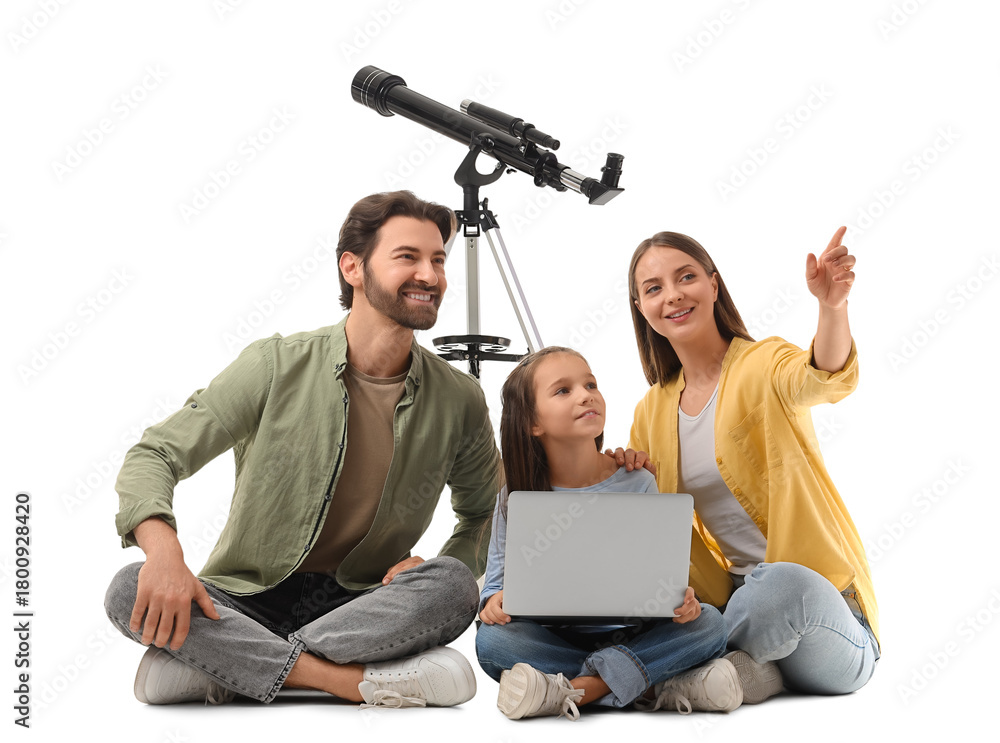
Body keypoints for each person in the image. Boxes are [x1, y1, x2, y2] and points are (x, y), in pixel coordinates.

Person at [104, 190, 501, 709]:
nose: (430, 275)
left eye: (439, 260)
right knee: (128, 588)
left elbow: (485, 513)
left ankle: (226, 668)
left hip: (365, 606)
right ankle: (346, 680)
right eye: (408, 257)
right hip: (243, 602)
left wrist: (442, 560)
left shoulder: (459, 397)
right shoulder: (274, 365)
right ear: (352, 268)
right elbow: (156, 454)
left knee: (453, 586)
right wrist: (165, 554)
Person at [626, 227, 880, 702]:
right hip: (733, 604)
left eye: (686, 277)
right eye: (654, 288)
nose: (674, 295)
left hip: (820, 614)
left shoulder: (763, 363)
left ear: (714, 285)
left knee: (777, 584)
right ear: (641, 307)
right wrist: (624, 471)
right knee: (696, 604)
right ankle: (743, 673)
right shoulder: (651, 410)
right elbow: (651, 532)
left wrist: (832, 307)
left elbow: (822, 377)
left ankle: (674, 662)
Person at [475, 346, 742, 721]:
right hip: (554, 637)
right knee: (493, 642)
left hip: (634, 632)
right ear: (533, 422)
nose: (587, 394)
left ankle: (579, 690)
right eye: (563, 390)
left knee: (710, 624)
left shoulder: (638, 480)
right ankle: (651, 684)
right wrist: (493, 604)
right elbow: (494, 588)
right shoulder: (515, 498)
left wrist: (684, 604)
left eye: (591, 384)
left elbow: (664, 584)